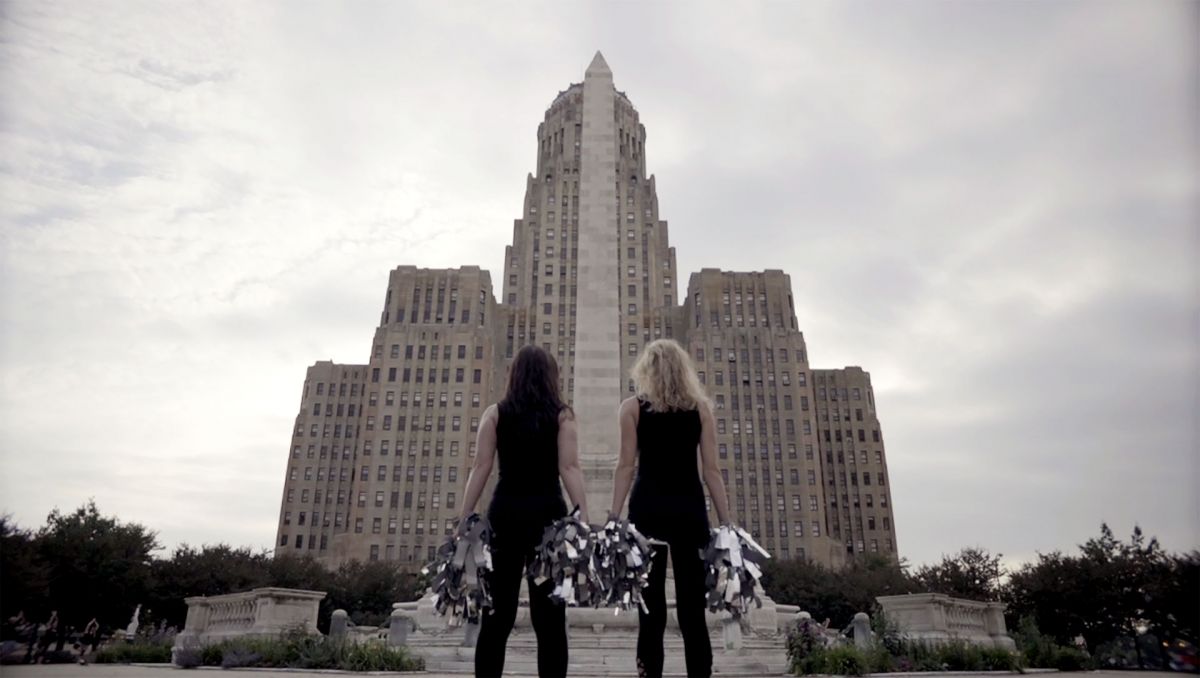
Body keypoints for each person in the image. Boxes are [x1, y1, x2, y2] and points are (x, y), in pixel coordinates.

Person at [458, 344, 590, 678]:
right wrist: (583, 518)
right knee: (549, 622)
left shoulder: (495, 413)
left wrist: (464, 517)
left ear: (514, 374)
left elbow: (480, 467)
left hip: (505, 516)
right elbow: (570, 468)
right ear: (551, 376)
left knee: (496, 617)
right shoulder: (563, 415)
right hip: (549, 520)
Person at [610, 339, 732, 678]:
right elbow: (711, 471)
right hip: (689, 513)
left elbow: (625, 467)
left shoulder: (631, 409)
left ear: (646, 371)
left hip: (646, 513)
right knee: (693, 610)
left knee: (650, 611)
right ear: (683, 370)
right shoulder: (701, 410)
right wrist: (727, 522)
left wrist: (613, 516)